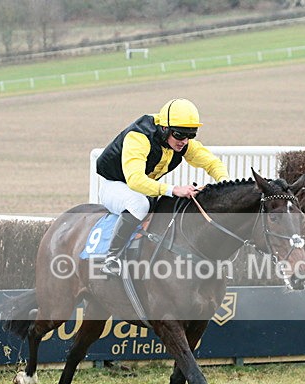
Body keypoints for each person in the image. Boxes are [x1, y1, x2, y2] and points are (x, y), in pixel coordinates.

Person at [96, 98, 229, 276]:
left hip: (142, 189)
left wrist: (224, 185)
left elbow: (213, 164)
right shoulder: (139, 137)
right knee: (139, 205)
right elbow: (135, 180)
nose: (184, 141)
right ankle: (111, 257)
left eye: (190, 136)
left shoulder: (181, 142)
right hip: (114, 184)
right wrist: (174, 189)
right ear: (164, 128)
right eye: (180, 135)